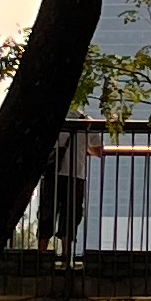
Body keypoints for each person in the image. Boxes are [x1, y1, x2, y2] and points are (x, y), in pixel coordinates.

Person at [41, 111, 102, 258]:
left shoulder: (51, 118)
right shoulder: (86, 122)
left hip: (52, 174)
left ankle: (41, 253)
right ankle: (67, 256)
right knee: (71, 215)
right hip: (75, 175)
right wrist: (83, 148)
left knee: (47, 213)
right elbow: (98, 151)